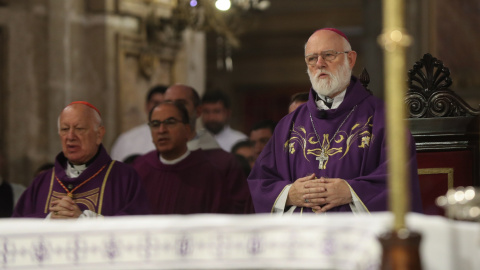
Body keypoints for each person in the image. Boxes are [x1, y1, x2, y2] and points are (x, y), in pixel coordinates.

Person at [247, 28, 422, 214]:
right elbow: (259, 184)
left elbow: (400, 180)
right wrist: (289, 194)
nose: (320, 64)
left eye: (328, 55)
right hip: (301, 237)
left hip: (359, 237)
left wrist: (351, 192)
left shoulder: (384, 119)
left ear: (350, 59)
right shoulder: (288, 125)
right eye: (312, 58)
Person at [13, 101, 151, 218]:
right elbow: (17, 230)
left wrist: (84, 221)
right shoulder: (42, 183)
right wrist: (49, 221)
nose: (71, 136)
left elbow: (135, 229)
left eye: (79, 129)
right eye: (65, 129)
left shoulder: (124, 178)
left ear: (99, 134)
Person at [133, 101, 239, 214]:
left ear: (187, 130)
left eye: (170, 122)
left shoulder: (209, 174)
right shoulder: (139, 169)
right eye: (155, 124)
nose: (161, 130)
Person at [162, 84, 253, 213]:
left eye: (216, 111)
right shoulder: (159, 151)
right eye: (168, 103)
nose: (211, 117)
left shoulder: (235, 149)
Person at [110, 85, 167, 162]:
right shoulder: (127, 140)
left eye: (165, 104)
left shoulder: (181, 139)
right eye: (156, 103)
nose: (160, 108)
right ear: (147, 106)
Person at [164, 84, 220, 151]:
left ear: (198, 111)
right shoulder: (154, 153)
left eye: (181, 104)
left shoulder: (213, 154)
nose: (173, 109)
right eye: (168, 103)